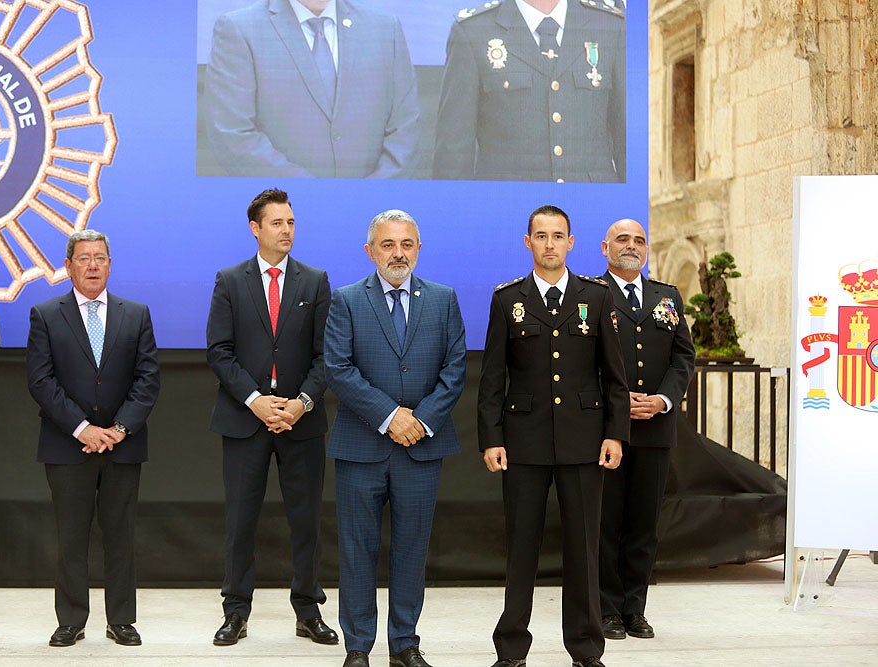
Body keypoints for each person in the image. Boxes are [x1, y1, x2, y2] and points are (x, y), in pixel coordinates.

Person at [478, 205, 629, 667]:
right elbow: (492, 379)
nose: (549, 244)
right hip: (523, 443)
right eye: (540, 236)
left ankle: (585, 649)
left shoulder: (596, 297)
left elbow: (613, 376)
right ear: (528, 243)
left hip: (584, 441)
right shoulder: (508, 300)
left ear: (571, 242)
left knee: (584, 550)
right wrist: (491, 438)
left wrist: (615, 435)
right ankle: (511, 650)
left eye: (557, 236)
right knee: (521, 547)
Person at [325, 210, 466, 667]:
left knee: (411, 549)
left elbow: (455, 369)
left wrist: (420, 421)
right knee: (357, 550)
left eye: (407, 244)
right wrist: (390, 417)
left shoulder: (443, 299)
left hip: (422, 448)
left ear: (419, 249)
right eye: (388, 245)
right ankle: (358, 646)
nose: (398, 253)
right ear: (371, 251)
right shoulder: (346, 300)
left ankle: (404, 644)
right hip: (361, 447)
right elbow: (339, 369)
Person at [206, 189, 337, 648]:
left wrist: (300, 402)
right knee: (241, 520)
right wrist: (255, 400)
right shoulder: (230, 280)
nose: (287, 231)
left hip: (302, 421)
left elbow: (327, 355)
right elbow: (218, 352)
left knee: (306, 520)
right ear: (255, 228)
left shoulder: (315, 280)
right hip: (246, 420)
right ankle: (235, 612)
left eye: (292, 222)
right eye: (277, 223)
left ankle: (307, 611)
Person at [26, 230, 160, 648]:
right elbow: (41, 381)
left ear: (109, 264)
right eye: (83, 259)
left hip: (123, 445)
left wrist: (118, 430)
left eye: (100, 258)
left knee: (121, 535)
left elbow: (148, 379)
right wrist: (83, 428)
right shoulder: (46, 314)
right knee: (71, 535)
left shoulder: (135, 314)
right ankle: (71, 620)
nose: (92, 266)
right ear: (68, 266)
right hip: (68, 445)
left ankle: (121, 619)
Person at [597, 219, 695, 642]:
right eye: (623, 240)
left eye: (639, 240)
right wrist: (618, 404)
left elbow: (683, 358)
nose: (631, 246)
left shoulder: (666, 297)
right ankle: (606, 611)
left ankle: (635, 610)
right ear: (605, 248)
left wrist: (661, 400)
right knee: (605, 523)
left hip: (655, 429)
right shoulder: (589, 294)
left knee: (643, 525)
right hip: (607, 430)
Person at [203, 0, 421, 179]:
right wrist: (311, 193)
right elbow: (233, 134)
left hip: (376, 208)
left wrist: (371, 193)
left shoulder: (385, 28)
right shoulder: (239, 29)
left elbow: (405, 126)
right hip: (286, 210)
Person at [433, 0, 626, 182]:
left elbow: (629, 143)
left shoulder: (610, 27)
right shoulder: (473, 31)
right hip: (507, 205)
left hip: (594, 205)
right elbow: (452, 156)